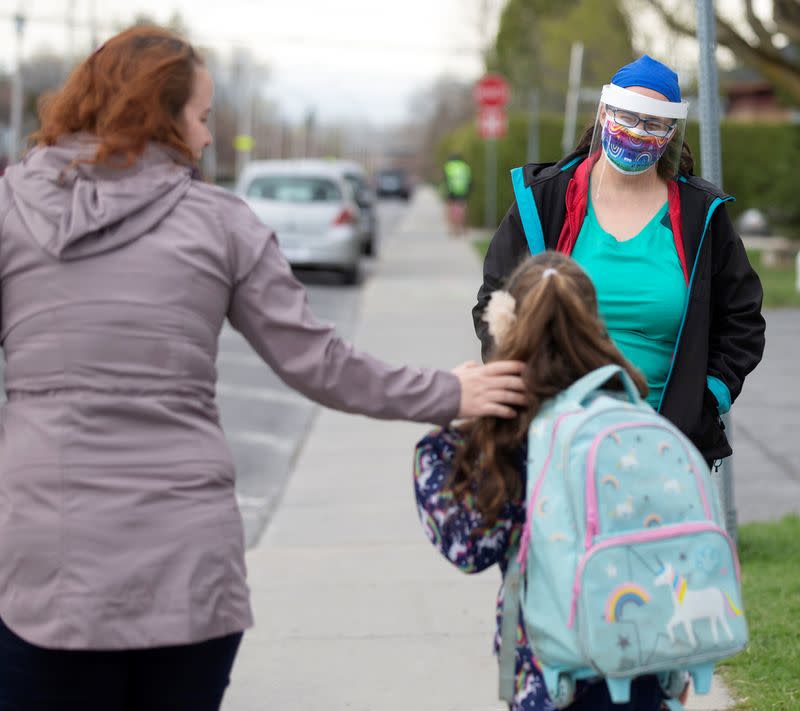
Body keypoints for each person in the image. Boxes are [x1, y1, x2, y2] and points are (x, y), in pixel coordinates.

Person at [0, 26, 528, 711]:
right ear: (159, 117)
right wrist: (450, 391)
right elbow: (320, 363)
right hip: (182, 568)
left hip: (44, 561)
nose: (209, 136)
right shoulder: (219, 222)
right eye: (201, 116)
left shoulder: (12, 209)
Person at [415, 251, 689, 711]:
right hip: (640, 658)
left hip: (549, 672)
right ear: (594, 321)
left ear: (507, 324)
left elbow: (467, 548)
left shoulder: (511, 431)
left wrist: (447, 410)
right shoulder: (630, 417)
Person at [472, 55, 765, 468]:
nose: (636, 132)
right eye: (626, 116)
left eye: (652, 123)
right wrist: (522, 390)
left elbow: (742, 320)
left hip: (667, 446)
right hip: (556, 439)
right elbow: (495, 303)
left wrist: (707, 400)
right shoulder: (544, 202)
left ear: (671, 133)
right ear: (604, 113)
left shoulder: (701, 215)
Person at [443, 153, 473, 236]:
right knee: (462, 211)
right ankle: (464, 228)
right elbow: (470, 180)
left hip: (451, 192)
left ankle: (454, 230)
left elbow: (445, 180)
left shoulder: (449, 166)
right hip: (463, 192)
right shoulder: (465, 167)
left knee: (451, 210)